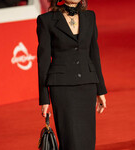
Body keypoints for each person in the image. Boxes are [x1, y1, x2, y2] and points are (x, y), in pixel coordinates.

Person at [36, 0, 108, 149]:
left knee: (87, 141)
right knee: (71, 141)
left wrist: (100, 90)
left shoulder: (90, 17)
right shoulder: (46, 20)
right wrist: (44, 98)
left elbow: (94, 54)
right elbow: (43, 62)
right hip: (62, 88)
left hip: (87, 85)